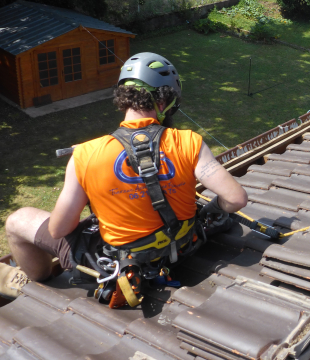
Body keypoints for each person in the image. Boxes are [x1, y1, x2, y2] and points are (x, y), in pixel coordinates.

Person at [5, 52, 247, 288]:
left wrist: (88, 171)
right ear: (162, 101)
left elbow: (58, 230)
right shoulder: (189, 141)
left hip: (120, 269)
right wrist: (211, 211)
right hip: (180, 250)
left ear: (123, 98)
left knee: (18, 221)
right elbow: (236, 198)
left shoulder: (86, 154)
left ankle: (38, 281)